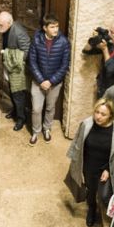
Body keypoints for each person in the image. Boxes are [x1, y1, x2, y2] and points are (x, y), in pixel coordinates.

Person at [67, 98, 114, 227]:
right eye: (97, 112)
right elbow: (78, 143)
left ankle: (106, 209)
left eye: (103, 114)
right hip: (89, 165)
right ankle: (91, 209)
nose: (98, 116)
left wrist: (108, 169)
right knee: (91, 190)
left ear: (111, 116)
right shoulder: (86, 124)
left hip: (107, 168)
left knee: (104, 195)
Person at [27, 14, 70, 146]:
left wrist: (51, 81)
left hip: (54, 83)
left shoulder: (64, 42)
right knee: (36, 109)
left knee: (50, 108)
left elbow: (65, 65)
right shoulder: (36, 39)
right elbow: (32, 61)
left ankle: (47, 129)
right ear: (45, 28)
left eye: (57, 26)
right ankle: (36, 131)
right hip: (37, 81)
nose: (56, 29)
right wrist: (41, 80)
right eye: (52, 27)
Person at [0, 12, 31, 131]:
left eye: (0, 25)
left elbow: (26, 51)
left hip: (17, 69)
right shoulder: (7, 29)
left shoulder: (19, 32)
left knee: (18, 95)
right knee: (11, 91)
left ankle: (21, 119)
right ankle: (15, 111)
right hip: (10, 66)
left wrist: (9, 56)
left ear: (9, 23)